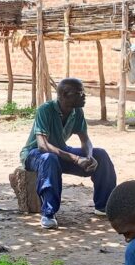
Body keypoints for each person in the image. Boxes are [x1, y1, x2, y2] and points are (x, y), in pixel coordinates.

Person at [19, 78, 117, 229]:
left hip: (60, 152)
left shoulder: (77, 112)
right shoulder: (45, 110)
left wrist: (89, 156)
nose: (84, 96)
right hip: (35, 154)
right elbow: (43, 146)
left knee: (100, 155)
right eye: (79, 93)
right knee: (49, 158)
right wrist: (76, 159)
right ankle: (48, 213)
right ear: (64, 95)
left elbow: (85, 140)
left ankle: (103, 206)